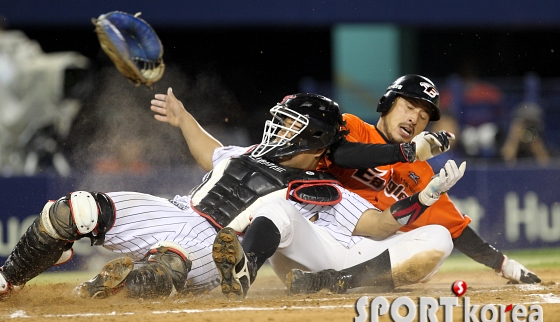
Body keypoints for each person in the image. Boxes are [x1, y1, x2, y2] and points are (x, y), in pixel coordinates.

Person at [0, 90, 460, 300]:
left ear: (315, 141)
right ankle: (8, 277)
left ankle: (102, 288)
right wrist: (183, 119)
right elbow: (213, 152)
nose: (278, 129)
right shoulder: (247, 151)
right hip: (176, 211)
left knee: (167, 268)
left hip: (215, 243)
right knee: (73, 210)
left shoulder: (320, 187)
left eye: (290, 126)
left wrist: (422, 199)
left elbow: (379, 224)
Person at [285, 74, 540, 295]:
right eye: (408, 107)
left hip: (360, 259)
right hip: (317, 243)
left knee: (440, 238)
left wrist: (504, 264)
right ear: (386, 103)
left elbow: (455, 229)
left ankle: (337, 281)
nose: (414, 119)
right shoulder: (355, 128)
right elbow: (339, 155)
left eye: (423, 116)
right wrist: (404, 152)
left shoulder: (421, 172)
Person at [500, 102, 551, 166]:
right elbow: (505, 166)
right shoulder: (504, 147)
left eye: (531, 126)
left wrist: (537, 146)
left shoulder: (550, 150)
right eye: (524, 126)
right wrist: (514, 139)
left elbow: (548, 169)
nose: (527, 131)